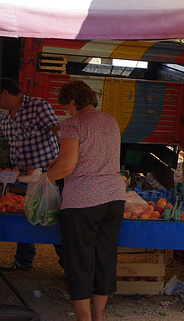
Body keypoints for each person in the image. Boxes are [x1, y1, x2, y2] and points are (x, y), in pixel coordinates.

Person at [45, 80, 126, 321]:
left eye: (65, 106)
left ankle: (84, 317)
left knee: (79, 261)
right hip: (114, 197)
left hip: (83, 199)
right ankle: (99, 315)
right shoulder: (110, 120)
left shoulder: (74, 124)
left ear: (72, 102)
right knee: (105, 258)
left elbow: (67, 165)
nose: (65, 111)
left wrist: (46, 177)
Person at [0, 77, 61, 271]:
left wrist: (66, 158)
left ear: (4, 93)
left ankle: (67, 263)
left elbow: (58, 130)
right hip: (20, 177)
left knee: (50, 214)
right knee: (22, 213)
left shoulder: (37, 106)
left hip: (46, 176)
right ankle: (24, 258)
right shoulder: (4, 117)